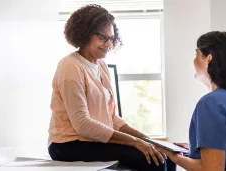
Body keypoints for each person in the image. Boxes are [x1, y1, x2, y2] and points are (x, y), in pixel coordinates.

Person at [47, 4, 176, 171]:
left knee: (166, 155)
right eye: (102, 37)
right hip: (68, 144)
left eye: (111, 38)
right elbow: (83, 125)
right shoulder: (70, 66)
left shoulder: (101, 66)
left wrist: (149, 140)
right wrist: (136, 143)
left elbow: (112, 118)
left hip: (93, 141)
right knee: (152, 160)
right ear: (83, 34)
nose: (109, 44)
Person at [158, 31, 226, 171]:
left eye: (196, 54)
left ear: (208, 60)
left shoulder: (210, 104)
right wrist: (194, 150)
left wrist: (174, 156)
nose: (193, 61)